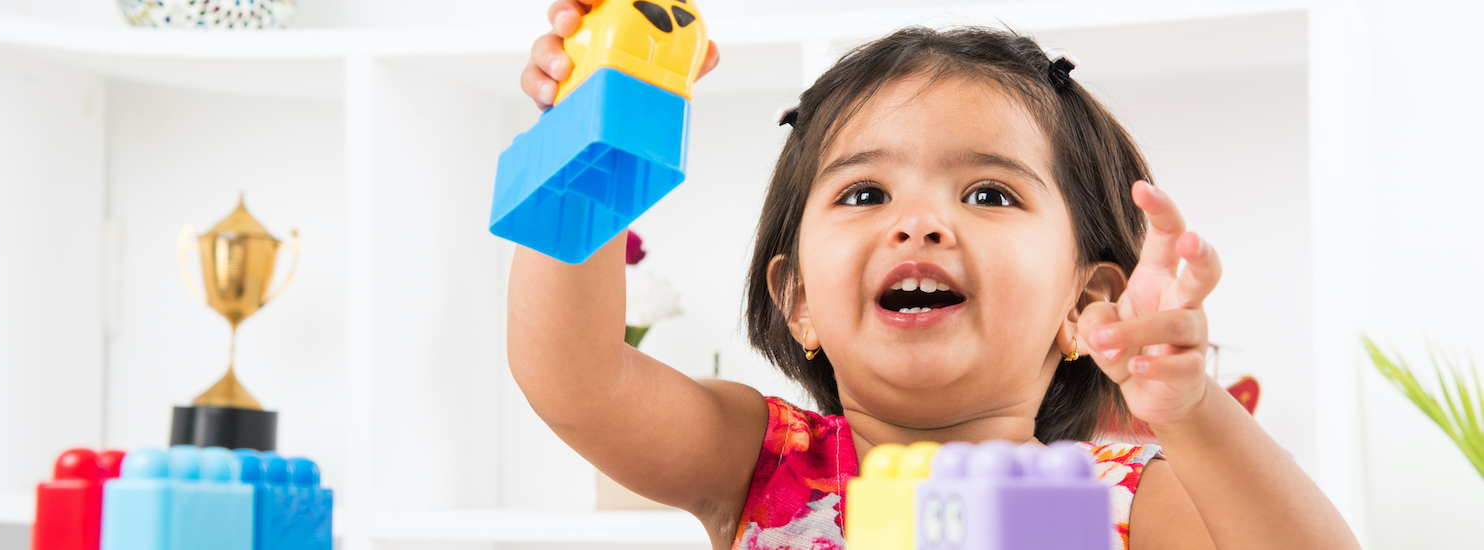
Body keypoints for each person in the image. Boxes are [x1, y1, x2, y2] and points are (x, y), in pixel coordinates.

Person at [511, 2, 1362, 549]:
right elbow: (575, 377)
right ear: (798, 299)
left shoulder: (1125, 502)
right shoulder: (758, 463)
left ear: (1085, 304)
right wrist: (595, 128)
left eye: (989, 192)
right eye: (865, 192)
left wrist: (1195, 414)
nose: (918, 222)